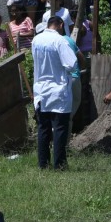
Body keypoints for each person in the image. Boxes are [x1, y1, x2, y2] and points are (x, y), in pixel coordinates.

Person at [32, 16, 77, 170]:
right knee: (60, 129)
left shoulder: (36, 40)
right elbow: (71, 64)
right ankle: (60, 164)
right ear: (61, 24)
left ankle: (43, 164)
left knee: (43, 128)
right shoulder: (60, 41)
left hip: (41, 90)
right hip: (58, 90)